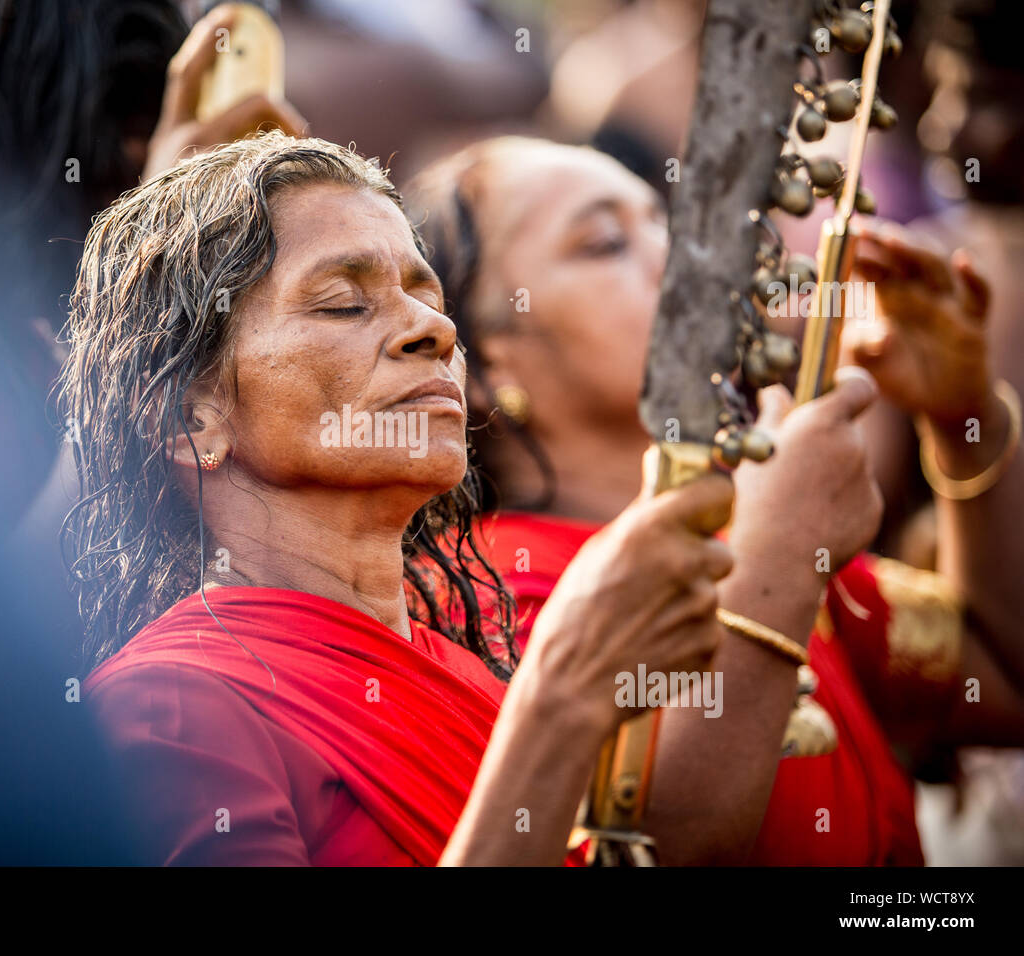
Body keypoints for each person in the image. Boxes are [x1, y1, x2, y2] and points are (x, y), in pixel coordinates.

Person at [61, 131, 738, 866]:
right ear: (189, 416)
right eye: (344, 304)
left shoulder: (473, 678)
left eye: (428, 296)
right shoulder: (170, 712)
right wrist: (560, 706)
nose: (434, 330)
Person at [405, 135, 1024, 865]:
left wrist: (961, 421)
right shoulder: (475, 595)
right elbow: (659, 848)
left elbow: (1002, 683)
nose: (690, 259)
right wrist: (781, 559)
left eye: (664, 222)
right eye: (604, 244)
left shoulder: (748, 524)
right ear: (477, 363)